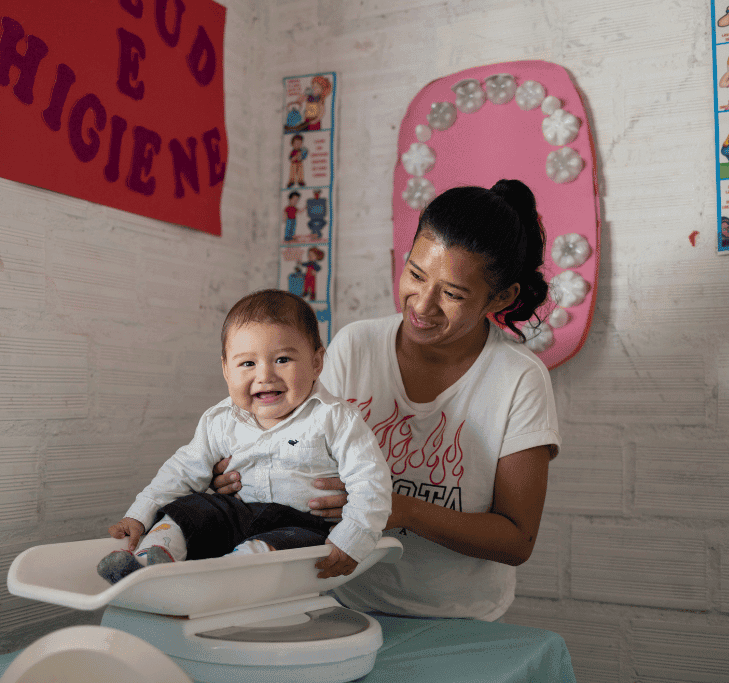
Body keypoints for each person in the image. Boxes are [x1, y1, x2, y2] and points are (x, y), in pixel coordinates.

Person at [213, 180, 561, 621]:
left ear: (502, 297)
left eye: (453, 294)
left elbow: (517, 540)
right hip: (340, 601)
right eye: (416, 274)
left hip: (458, 621)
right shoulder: (356, 345)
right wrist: (241, 468)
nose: (422, 304)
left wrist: (401, 510)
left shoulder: (519, 379)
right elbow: (293, 445)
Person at [98, 289, 392, 584]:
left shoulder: (335, 418)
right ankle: (149, 559)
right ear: (226, 369)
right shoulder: (221, 420)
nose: (265, 375)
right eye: (247, 363)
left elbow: (370, 483)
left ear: (316, 363)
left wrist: (352, 537)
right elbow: (182, 471)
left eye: (282, 359)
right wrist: (139, 515)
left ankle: (227, 573)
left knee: (288, 544)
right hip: (236, 514)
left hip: (302, 524)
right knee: (189, 510)